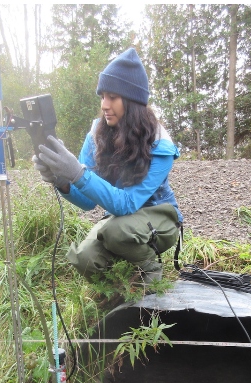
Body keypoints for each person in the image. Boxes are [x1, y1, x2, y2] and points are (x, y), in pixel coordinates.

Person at [34, 47, 182, 288]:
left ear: (132, 100)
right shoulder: (97, 135)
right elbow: (87, 202)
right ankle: (122, 287)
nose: (104, 104)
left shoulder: (160, 146)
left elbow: (127, 204)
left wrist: (77, 173)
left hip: (159, 218)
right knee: (84, 259)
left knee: (115, 231)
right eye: (102, 96)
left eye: (112, 97)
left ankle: (149, 269)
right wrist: (61, 181)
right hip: (121, 222)